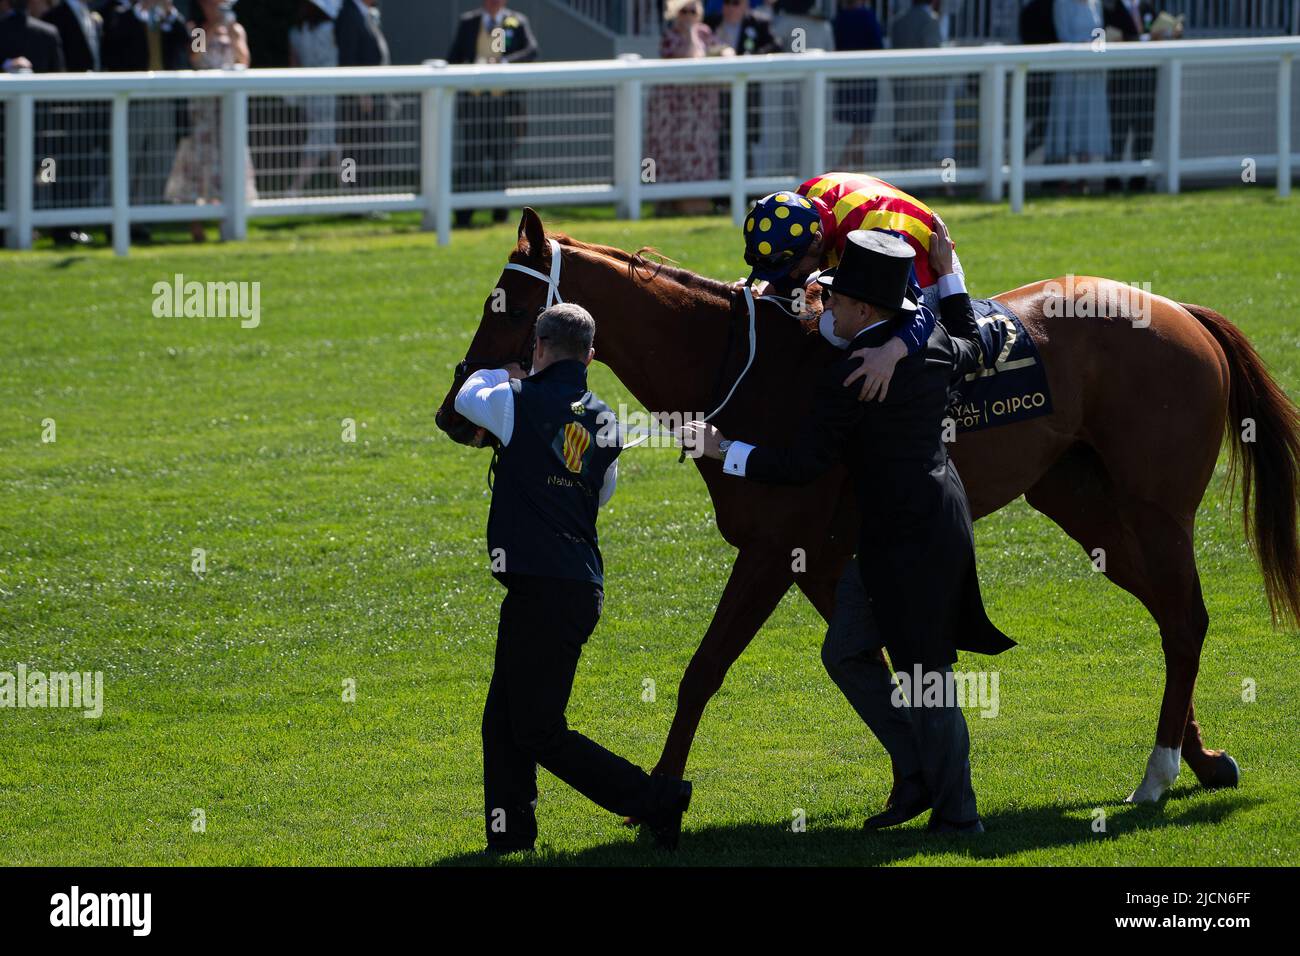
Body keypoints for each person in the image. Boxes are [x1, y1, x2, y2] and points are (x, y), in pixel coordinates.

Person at [682, 225, 1015, 834]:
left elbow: (802, 464)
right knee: (844, 651)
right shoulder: (929, 342)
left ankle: (958, 817)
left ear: (864, 309)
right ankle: (916, 769)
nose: (826, 305)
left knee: (927, 679)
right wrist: (948, 272)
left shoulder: (853, 375)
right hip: (922, 524)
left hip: (912, 540)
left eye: (835, 299)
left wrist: (723, 447)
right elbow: (975, 340)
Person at [453, 303, 694, 854]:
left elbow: (469, 395)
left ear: (537, 347)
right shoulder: (607, 419)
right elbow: (602, 493)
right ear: (590, 357)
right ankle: (509, 833)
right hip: (576, 581)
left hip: (543, 585)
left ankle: (656, 799)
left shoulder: (516, 400)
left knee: (538, 729)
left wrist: (507, 374)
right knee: (503, 717)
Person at [742, 173, 963, 401]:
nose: (792, 275)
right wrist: (762, 292)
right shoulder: (800, 204)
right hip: (867, 239)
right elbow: (786, 273)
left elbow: (920, 312)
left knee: (832, 327)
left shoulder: (873, 237)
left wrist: (889, 354)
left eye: (794, 266)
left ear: (817, 240)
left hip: (926, 268)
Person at [164, 0, 256, 243]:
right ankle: (195, 225)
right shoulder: (197, 29)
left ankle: (225, 221)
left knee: (226, 163)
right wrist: (212, 28)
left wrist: (234, 35)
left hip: (227, 110)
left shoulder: (237, 30)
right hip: (203, 111)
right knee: (198, 163)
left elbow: (244, 61)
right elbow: (194, 56)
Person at [101, 0, 189, 244]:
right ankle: (116, 221)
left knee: (159, 162)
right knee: (126, 161)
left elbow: (190, 44)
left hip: (163, 99)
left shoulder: (170, 20)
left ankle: (143, 221)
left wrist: (171, 14)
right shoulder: (122, 15)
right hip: (132, 99)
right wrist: (139, 14)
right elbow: (113, 47)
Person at [446, 1, 538, 227]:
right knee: (471, 162)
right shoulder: (469, 22)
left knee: (502, 161)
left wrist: (504, 62)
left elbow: (532, 50)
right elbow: (453, 57)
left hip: (504, 105)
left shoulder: (516, 22)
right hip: (475, 105)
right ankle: (464, 217)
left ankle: (500, 215)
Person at [646, 0, 732, 216]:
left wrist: (724, 53)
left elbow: (724, 50)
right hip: (674, 113)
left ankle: (698, 203)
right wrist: (690, 33)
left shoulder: (705, 33)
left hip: (700, 112)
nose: (687, 15)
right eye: (683, 11)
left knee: (700, 153)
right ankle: (667, 205)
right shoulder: (670, 37)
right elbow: (689, 56)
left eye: (692, 11)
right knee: (670, 155)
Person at [1045, 0, 1109, 190]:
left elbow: (1100, 34)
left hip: (1091, 73)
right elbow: (1063, 36)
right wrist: (1082, 46)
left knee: (1087, 121)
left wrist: (1096, 47)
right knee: (1067, 120)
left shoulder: (1096, 3)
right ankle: (1063, 178)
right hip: (1068, 73)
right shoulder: (1061, 4)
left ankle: (1083, 178)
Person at [287, 0, 340, 197]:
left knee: (333, 144)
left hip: (311, 93)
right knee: (319, 143)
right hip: (331, 93)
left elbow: (295, 65)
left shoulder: (296, 32)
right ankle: (295, 189)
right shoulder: (332, 29)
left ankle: (347, 187)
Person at [1103, 0, 1156, 193]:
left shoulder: (1147, 6)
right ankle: (1112, 177)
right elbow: (1102, 36)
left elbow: (1156, 29)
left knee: (1144, 128)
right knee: (1118, 129)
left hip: (1146, 75)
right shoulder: (1108, 6)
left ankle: (1139, 178)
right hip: (1121, 77)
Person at [888, 0, 943, 170]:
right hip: (925, 89)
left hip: (902, 86)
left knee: (905, 137)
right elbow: (934, 54)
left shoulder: (898, 21)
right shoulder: (931, 20)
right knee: (924, 137)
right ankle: (918, 180)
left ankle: (905, 178)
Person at [830, 0, 882, 169]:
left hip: (846, 80)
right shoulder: (867, 16)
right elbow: (878, 45)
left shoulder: (840, 18)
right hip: (865, 80)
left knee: (860, 131)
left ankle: (861, 174)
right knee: (862, 131)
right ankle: (840, 168)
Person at [1, 0, 64, 74]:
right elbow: (58, 72)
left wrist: (6, 64)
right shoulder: (49, 32)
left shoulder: (49, 32)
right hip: (42, 85)